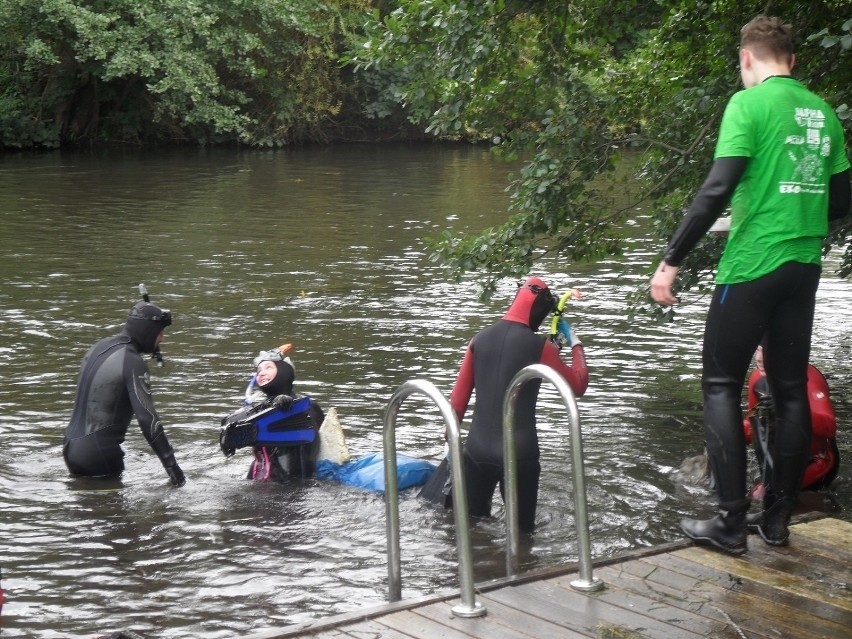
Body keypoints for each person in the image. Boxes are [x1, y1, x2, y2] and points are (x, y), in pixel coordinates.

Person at [650, 15, 850, 554]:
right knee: (789, 390)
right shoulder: (823, 113)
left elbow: (717, 189)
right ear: (794, 60)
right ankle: (777, 520)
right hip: (804, 264)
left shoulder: (748, 104)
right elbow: (842, 201)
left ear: (747, 59)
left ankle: (731, 522)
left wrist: (671, 261)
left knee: (719, 383)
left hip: (754, 263)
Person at [449, 276, 589, 532]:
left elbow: (456, 405)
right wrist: (576, 345)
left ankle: (477, 566)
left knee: (470, 529)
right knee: (522, 534)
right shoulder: (540, 346)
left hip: (476, 451)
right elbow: (578, 386)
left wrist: (452, 444)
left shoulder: (478, 339)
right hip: (518, 454)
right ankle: (521, 567)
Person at [63, 301, 185, 486]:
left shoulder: (99, 346)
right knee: (116, 514)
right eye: (160, 332)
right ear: (147, 331)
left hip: (71, 448)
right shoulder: (132, 361)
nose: (162, 338)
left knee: (88, 510)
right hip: (99, 455)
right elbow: (148, 420)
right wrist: (174, 470)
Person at [743, 345, 839, 498]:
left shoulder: (808, 378)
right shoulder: (757, 379)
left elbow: (829, 428)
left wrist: (787, 409)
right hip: (778, 459)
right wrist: (730, 433)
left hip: (817, 461)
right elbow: (753, 424)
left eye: (766, 351)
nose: (758, 358)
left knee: (769, 496)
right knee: (752, 497)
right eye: (757, 350)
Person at [220, 345, 324, 482]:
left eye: (268, 367)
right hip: (267, 478)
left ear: (285, 372)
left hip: (295, 483)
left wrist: (285, 405)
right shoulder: (257, 413)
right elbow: (228, 432)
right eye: (259, 371)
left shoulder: (310, 407)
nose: (261, 373)